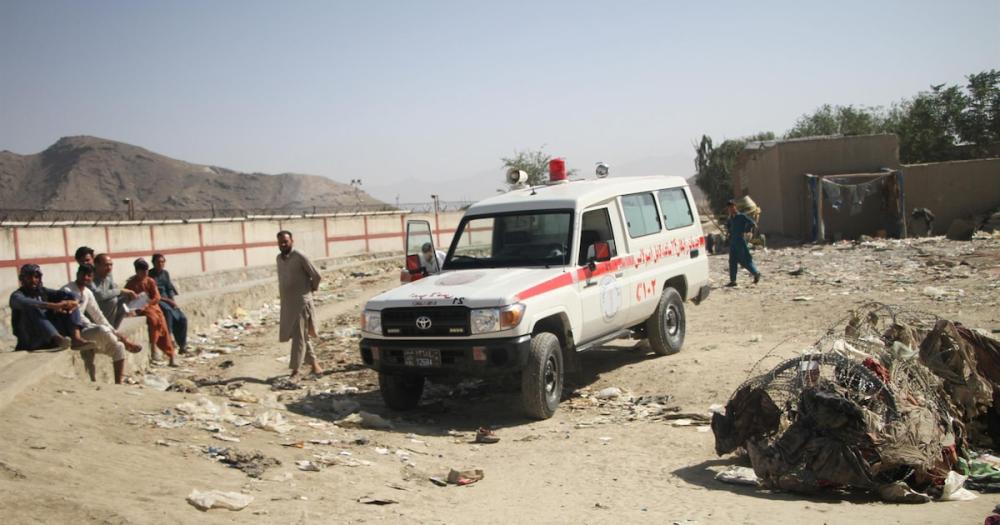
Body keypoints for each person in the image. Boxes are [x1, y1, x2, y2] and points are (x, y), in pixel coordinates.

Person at [63, 264, 142, 384]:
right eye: (83, 274)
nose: (85, 278)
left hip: (87, 331)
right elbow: (76, 315)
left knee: (119, 347)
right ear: (77, 274)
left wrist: (114, 331)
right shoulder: (67, 290)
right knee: (102, 330)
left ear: (92, 277)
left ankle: (118, 384)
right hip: (73, 332)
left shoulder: (87, 292)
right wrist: (113, 333)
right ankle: (125, 342)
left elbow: (98, 315)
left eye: (89, 276)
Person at [9, 264, 94, 351]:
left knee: (69, 303)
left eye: (36, 277)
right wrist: (53, 306)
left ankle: (76, 338)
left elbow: (69, 294)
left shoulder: (43, 291)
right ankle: (57, 339)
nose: (33, 280)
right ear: (22, 279)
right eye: (29, 277)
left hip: (46, 338)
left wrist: (73, 301)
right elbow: (27, 303)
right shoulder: (16, 296)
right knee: (32, 307)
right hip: (30, 339)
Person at [276, 230, 323, 378]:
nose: (283, 244)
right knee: (301, 335)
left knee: (299, 337)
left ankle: (296, 370)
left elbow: (316, 275)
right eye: (281, 242)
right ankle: (315, 366)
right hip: (288, 305)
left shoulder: (299, 256)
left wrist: (311, 289)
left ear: (292, 241)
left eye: (286, 241)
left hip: (301, 304)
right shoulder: (279, 259)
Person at [125, 258, 176, 367]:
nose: (145, 273)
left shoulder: (150, 281)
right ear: (137, 271)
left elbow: (157, 297)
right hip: (140, 310)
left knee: (163, 327)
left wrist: (147, 304)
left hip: (153, 307)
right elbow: (126, 299)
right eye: (142, 271)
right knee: (153, 320)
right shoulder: (131, 283)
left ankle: (171, 356)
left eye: (146, 271)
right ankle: (153, 347)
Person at [149, 253, 188, 354]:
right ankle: (169, 339)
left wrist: (172, 300)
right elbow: (153, 294)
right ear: (153, 263)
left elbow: (169, 288)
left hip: (168, 300)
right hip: (158, 300)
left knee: (182, 318)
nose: (160, 264)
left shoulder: (165, 273)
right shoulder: (150, 276)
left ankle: (182, 345)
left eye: (162, 262)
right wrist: (168, 301)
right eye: (158, 262)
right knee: (167, 312)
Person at [93, 253, 137, 328]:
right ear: (97, 265)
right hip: (93, 309)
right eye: (106, 265)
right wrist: (121, 291)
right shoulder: (90, 276)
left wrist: (130, 306)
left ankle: (113, 328)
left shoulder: (108, 274)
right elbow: (99, 295)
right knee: (112, 301)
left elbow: (114, 289)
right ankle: (108, 328)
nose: (109, 267)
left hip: (105, 307)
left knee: (125, 298)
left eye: (111, 265)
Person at [725, 200, 762, 287]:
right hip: (733, 242)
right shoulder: (730, 219)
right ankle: (733, 281)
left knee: (744, 260)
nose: (731, 209)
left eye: (732, 207)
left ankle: (756, 273)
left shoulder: (741, 216)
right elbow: (729, 227)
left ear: (735, 207)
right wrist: (728, 232)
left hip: (740, 241)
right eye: (729, 207)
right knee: (732, 261)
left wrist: (745, 231)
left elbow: (752, 223)